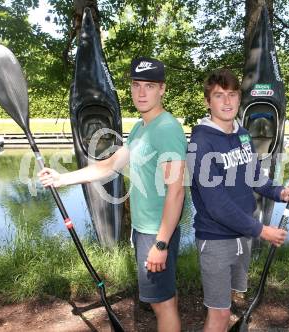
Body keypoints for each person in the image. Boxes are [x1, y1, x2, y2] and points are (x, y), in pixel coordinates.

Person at [38, 57, 186, 332]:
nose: (141, 92)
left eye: (149, 86)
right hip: (147, 230)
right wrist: (62, 178)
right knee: (165, 300)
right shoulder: (142, 129)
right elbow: (109, 166)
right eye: (136, 85)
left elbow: (176, 191)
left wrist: (161, 244)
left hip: (157, 232)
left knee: (162, 305)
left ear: (162, 89)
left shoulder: (166, 128)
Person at [188, 69, 289, 332]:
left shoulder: (242, 134)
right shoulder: (200, 141)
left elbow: (254, 176)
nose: (227, 102)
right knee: (218, 316)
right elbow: (216, 205)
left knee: (232, 301)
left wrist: (280, 192)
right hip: (216, 239)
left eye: (232, 94)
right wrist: (262, 230)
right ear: (208, 102)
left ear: (239, 98)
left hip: (242, 236)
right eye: (219, 96)